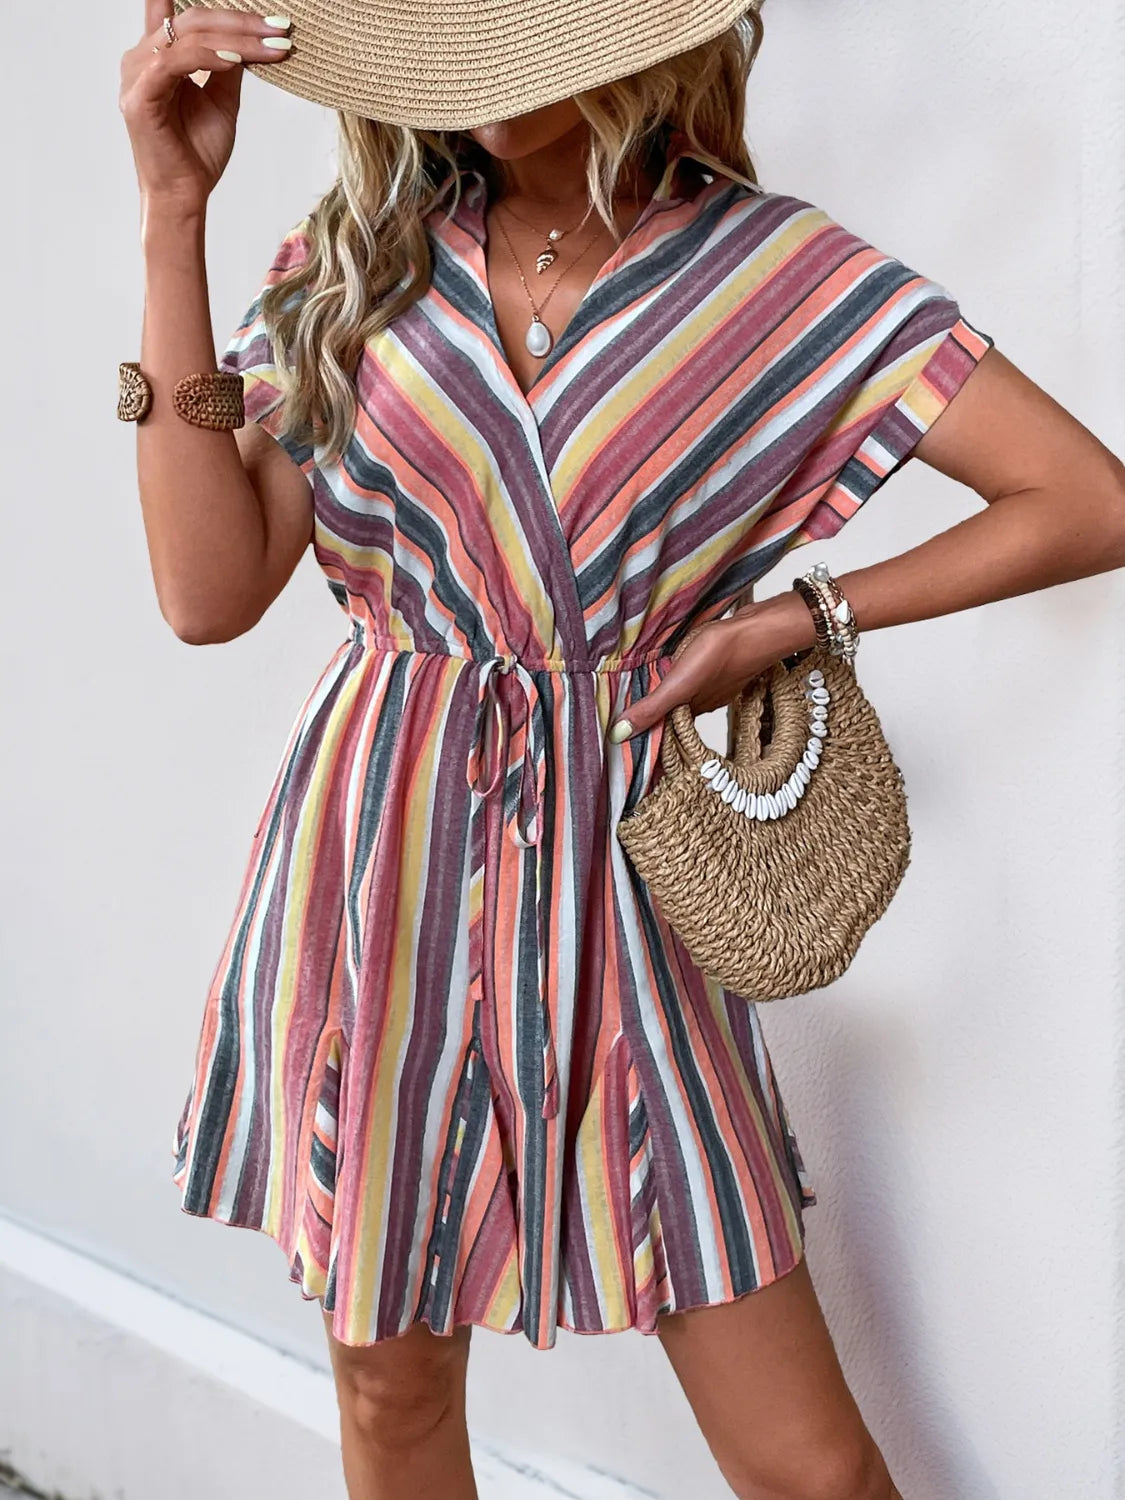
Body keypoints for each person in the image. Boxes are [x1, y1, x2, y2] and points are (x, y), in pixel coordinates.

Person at [118, 3, 1125, 1497]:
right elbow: (206, 594)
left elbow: (1086, 500)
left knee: (807, 1468)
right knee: (392, 1392)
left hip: (623, 870)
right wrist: (172, 215)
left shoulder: (772, 275)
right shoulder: (355, 264)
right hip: (380, 855)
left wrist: (798, 617)